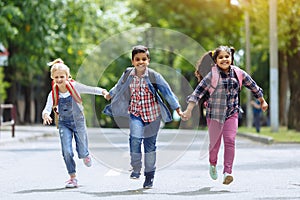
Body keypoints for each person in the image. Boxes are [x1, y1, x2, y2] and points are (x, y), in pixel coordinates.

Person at [181, 46, 268, 185]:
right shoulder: (212, 75)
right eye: (220, 57)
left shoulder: (239, 73)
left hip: (231, 113)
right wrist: (189, 110)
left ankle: (228, 172)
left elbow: (253, 87)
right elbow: (198, 92)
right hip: (214, 114)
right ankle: (213, 163)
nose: (224, 59)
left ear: (231, 58)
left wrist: (262, 101)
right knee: (215, 144)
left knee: (230, 140)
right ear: (215, 60)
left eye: (226, 57)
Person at [103, 45, 183, 189]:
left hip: (153, 116)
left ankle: (149, 176)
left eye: (144, 59)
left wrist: (177, 108)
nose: (141, 62)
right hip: (135, 114)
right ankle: (136, 168)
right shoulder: (128, 74)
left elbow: (167, 92)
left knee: (149, 146)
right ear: (133, 61)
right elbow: (118, 85)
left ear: (148, 60)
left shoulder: (154, 76)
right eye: (137, 59)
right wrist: (110, 94)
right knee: (135, 138)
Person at [42, 58, 109, 188]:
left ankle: (85, 154)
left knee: (82, 150)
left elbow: (91, 89)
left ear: (67, 76)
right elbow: (47, 107)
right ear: (52, 78)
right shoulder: (53, 93)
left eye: (62, 76)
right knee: (66, 151)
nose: (60, 79)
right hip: (64, 123)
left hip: (78, 122)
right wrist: (45, 114)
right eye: (57, 77)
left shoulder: (75, 87)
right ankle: (73, 178)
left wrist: (104, 92)